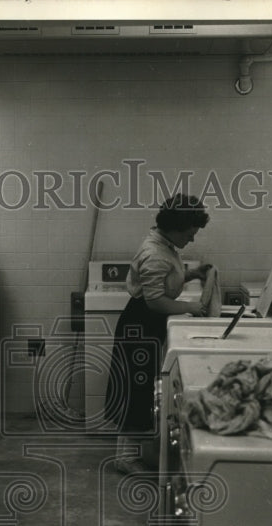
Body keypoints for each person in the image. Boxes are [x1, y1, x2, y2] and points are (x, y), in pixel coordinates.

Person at [104, 193, 213, 474]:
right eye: (190, 234)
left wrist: (192, 274)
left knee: (140, 387)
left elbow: (167, 281)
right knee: (136, 388)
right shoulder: (154, 253)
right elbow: (155, 301)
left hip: (146, 323)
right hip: (141, 323)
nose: (192, 240)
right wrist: (193, 307)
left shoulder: (164, 245)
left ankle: (131, 453)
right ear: (176, 228)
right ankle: (125, 458)